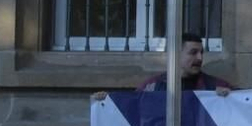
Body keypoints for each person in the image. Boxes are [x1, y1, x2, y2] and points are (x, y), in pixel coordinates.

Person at [90, 32, 232, 101]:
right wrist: (104, 103)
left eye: (201, 52)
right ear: (176, 54)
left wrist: (228, 98)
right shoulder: (150, 87)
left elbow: (242, 110)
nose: (200, 58)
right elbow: (130, 112)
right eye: (193, 53)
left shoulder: (217, 86)